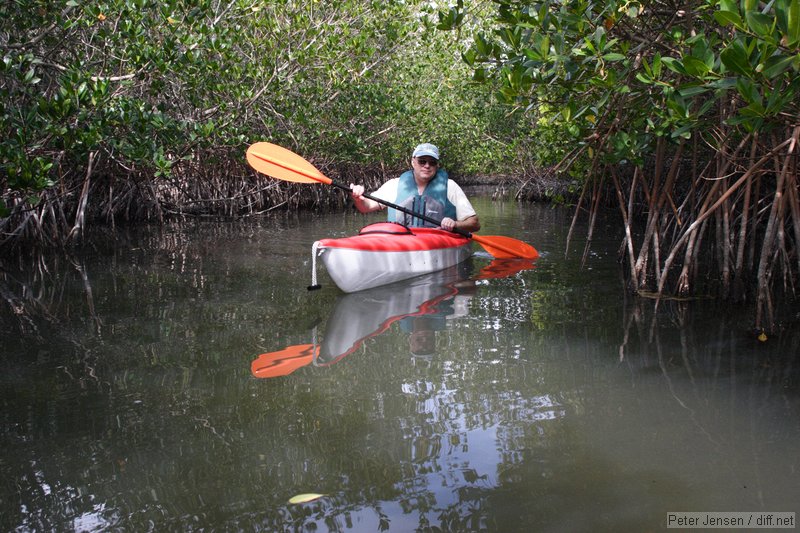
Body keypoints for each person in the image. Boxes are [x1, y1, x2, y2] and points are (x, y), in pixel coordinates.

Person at [350, 143, 481, 233]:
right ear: (413, 162)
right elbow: (365, 207)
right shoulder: (394, 184)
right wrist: (358, 198)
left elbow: (474, 223)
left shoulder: (450, 186)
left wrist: (455, 224)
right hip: (400, 241)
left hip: (438, 240)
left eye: (432, 162)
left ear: (437, 165)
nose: (427, 165)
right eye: (422, 161)